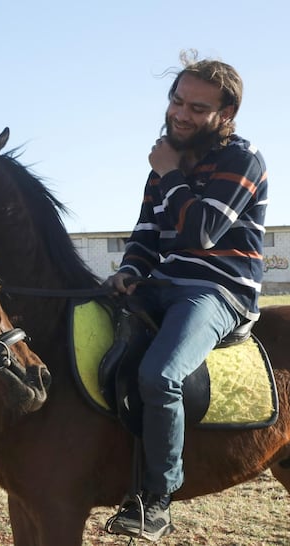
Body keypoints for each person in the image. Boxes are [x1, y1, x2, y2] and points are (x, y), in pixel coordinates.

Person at [103, 51, 268, 541]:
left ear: (225, 115)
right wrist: (130, 271)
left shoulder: (243, 158)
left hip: (217, 291)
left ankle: (158, 498)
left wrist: (169, 171)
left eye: (198, 108)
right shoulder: (165, 165)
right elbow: (147, 233)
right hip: (162, 284)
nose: (180, 113)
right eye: (178, 101)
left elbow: (203, 231)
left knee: (160, 375)